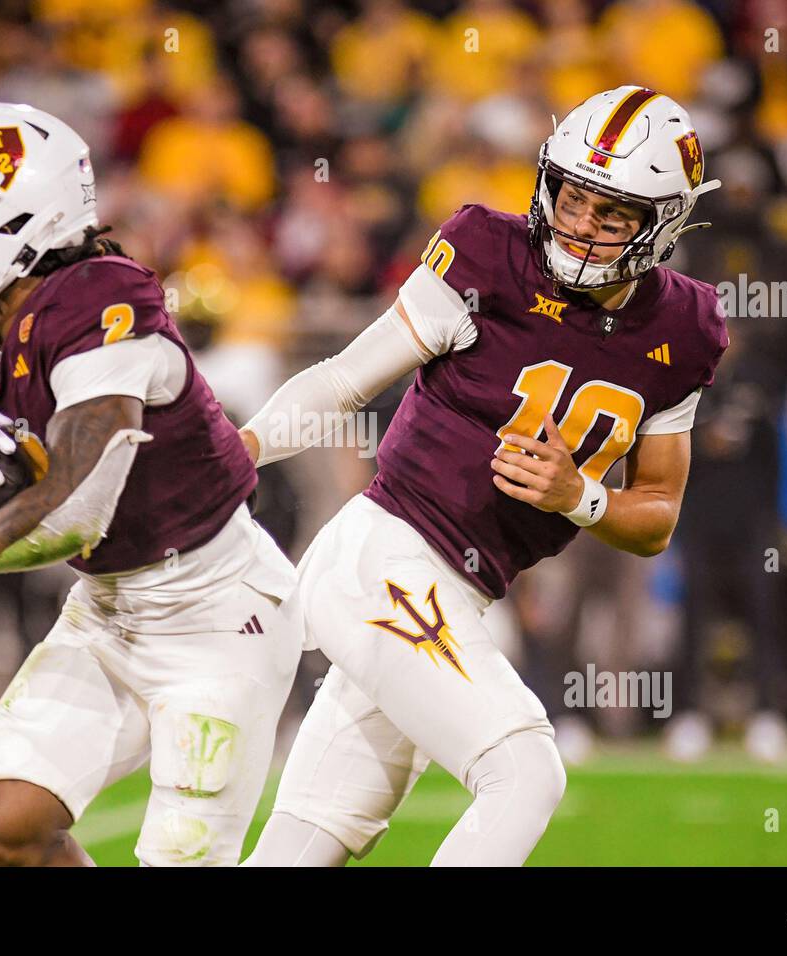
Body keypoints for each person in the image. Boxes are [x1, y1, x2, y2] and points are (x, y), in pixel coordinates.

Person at [240, 86, 728, 866]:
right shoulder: (485, 253)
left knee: (305, 844)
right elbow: (341, 381)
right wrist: (242, 450)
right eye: (572, 199)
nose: (582, 226)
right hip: (383, 557)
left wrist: (581, 497)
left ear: (662, 222)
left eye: (613, 216)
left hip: (459, 593)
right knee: (524, 771)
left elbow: (658, 514)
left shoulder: (686, 328)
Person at [0, 103, 301, 866]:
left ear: (12, 221)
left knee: (182, 855)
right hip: (109, 609)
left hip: (218, 612)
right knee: (1, 831)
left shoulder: (101, 300)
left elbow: (78, 513)